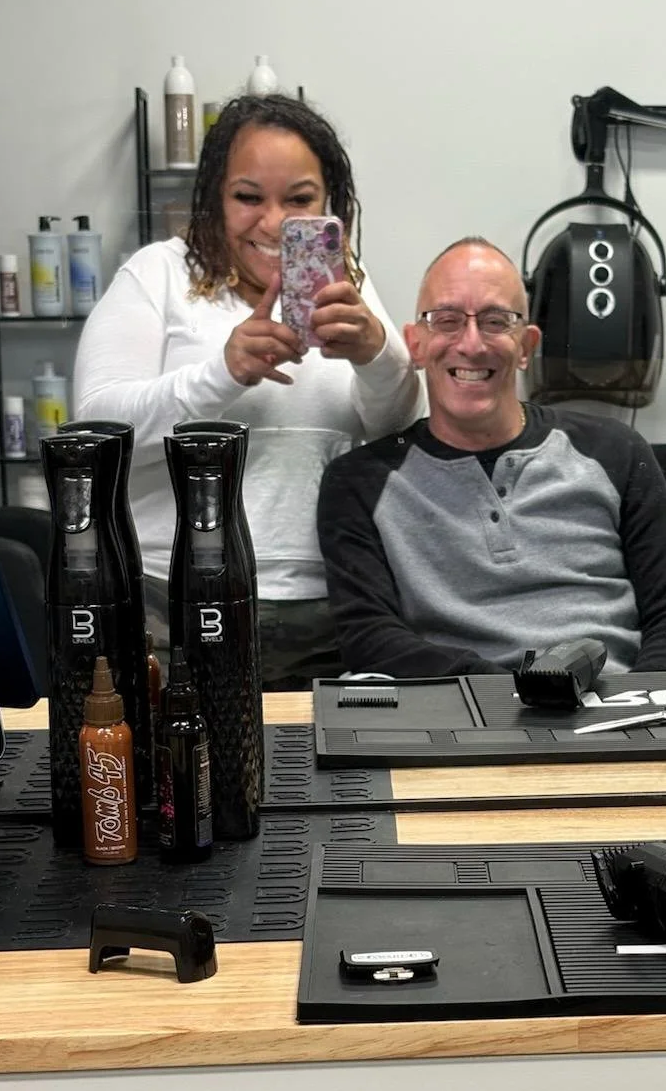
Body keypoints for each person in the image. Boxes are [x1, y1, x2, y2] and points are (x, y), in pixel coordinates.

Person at [73, 94, 422, 686]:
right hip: (171, 608)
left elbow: (398, 434)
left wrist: (378, 356)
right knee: (183, 775)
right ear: (214, 195)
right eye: (248, 197)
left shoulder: (347, 284)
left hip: (329, 610)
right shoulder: (159, 275)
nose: (273, 221)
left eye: (300, 199)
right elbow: (94, 430)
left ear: (327, 203)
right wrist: (223, 372)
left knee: (317, 778)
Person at [317, 237, 666, 676]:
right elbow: (371, 642)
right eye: (445, 320)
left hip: (615, 715)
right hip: (461, 723)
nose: (472, 343)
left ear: (526, 346)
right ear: (416, 345)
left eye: (496, 321)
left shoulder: (616, 452)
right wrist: (522, 700)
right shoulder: (358, 483)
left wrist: (635, 710)